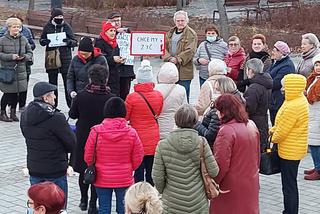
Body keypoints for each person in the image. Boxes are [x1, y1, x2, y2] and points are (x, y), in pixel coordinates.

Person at [152, 104, 219, 213]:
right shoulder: (201, 142)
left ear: (176, 120)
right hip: (198, 202)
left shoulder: (162, 145)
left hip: (172, 203)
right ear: (195, 121)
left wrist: (162, 191)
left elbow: (157, 177)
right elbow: (214, 171)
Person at [84, 97, 144, 214]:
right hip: (124, 178)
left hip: (102, 178)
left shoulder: (96, 132)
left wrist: (93, 166)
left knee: (104, 208)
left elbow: (88, 156)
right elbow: (138, 155)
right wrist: (130, 168)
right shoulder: (131, 132)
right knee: (123, 209)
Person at [20, 82, 75, 207]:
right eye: (53, 95)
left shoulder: (25, 116)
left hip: (35, 169)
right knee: (57, 206)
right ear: (45, 98)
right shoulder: (56, 118)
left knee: (38, 206)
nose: (55, 97)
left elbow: (26, 135)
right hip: (55, 170)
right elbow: (71, 143)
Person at [69, 64, 114, 213]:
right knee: (98, 172)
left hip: (83, 138)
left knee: (83, 170)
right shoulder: (110, 98)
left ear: (90, 78)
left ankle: (83, 200)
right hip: (102, 139)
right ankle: (93, 203)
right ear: (105, 79)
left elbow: (73, 115)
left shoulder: (81, 96)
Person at [210, 94, 260, 214]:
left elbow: (220, 164)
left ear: (224, 111)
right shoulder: (251, 125)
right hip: (250, 181)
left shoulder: (226, 131)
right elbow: (257, 155)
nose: (216, 113)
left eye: (218, 110)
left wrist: (213, 182)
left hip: (229, 186)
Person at [269, 74, 309, 214]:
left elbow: (282, 131)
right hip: (294, 148)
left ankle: (290, 211)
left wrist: (272, 138)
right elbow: (281, 123)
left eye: (285, 86)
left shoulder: (293, 105)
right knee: (290, 183)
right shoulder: (296, 99)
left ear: (292, 87)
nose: (282, 89)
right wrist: (273, 129)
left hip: (290, 151)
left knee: (289, 185)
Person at [125, 60, 163, 185]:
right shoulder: (158, 95)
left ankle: (138, 196)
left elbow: (125, 117)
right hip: (153, 137)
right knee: (151, 170)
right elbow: (158, 112)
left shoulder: (131, 98)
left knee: (138, 171)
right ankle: (151, 196)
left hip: (137, 138)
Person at [39, 8, 77, 108]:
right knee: (52, 82)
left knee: (67, 82)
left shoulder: (66, 26)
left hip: (65, 57)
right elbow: (41, 40)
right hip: (51, 57)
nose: (59, 18)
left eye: (61, 17)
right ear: (53, 17)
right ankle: (53, 105)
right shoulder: (48, 26)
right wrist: (44, 41)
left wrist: (68, 42)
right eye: (57, 17)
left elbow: (74, 42)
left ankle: (71, 105)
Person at [0, 13, 36, 111]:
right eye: (14, 27)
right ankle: (2, 112)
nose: (17, 29)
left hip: (21, 70)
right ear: (9, 28)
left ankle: (13, 112)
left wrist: (25, 57)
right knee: (8, 93)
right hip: (8, 70)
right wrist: (10, 57)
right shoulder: (2, 40)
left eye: (18, 27)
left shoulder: (23, 39)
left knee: (17, 92)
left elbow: (30, 51)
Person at [194, 77, 244, 146]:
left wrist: (197, 124)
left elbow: (210, 135)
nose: (214, 92)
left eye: (217, 89)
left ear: (224, 90)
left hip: (214, 145)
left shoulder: (220, 110)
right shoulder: (237, 103)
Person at [163, 10, 197, 102]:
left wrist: (177, 59)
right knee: (170, 95)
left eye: (182, 20)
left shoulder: (191, 34)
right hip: (170, 68)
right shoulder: (169, 33)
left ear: (187, 21)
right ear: (175, 21)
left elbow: (190, 51)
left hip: (184, 71)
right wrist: (168, 58)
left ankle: (185, 115)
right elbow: (163, 47)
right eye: (178, 21)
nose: (180, 23)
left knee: (183, 95)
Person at [244, 58, 273, 152]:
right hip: (263, 120)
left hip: (255, 122)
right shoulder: (266, 83)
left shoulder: (254, 88)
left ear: (250, 70)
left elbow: (249, 108)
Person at [107, 11, 135, 100]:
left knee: (125, 96)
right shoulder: (106, 34)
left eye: (119, 20)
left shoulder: (126, 33)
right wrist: (116, 32)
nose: (117, 23)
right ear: (109, 22)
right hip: (112, 72)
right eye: (114, 21)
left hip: (126, 70)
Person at [155, 62, 187, 139]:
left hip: (157, 128)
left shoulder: (155, 89)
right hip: (175, 128)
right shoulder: (181, 89)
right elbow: (185, 109)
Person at [268, 41, 295, 125]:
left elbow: (276, 83)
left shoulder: (287, 66)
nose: (273, 52)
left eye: (275, 50)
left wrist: (264, 82)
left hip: (279, 102)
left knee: (278, 125)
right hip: (273, 101)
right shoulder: (276, 62)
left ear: (281, 52)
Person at [95, 21, 125, 96]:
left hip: (115, 75)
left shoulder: (115, 43)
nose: (113, 33)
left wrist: (120, 60)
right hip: (105, 76)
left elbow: (116, 56)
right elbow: (99, 60)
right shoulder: (99, 43)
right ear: (105, 32)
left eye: (114, 31)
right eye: (111, 31)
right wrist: (113, 59)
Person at [304, 54, 320, 180]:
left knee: (315, 143)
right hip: (313, 114)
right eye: (316, 64)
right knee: (314, 142)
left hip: (318, 116)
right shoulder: (314, 78)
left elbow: (315, 97)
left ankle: (319, 170)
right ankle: (317, 166)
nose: (318, 67)